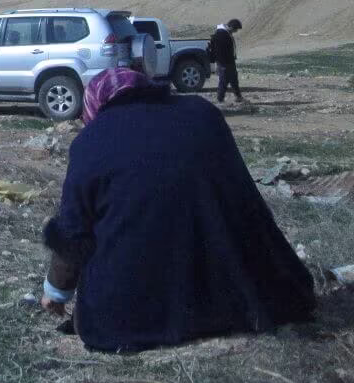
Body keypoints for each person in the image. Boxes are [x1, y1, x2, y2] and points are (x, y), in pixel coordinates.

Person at [40, 68, 314, 352]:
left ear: (95, 104)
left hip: (129, 318)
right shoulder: (203, 114)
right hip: (237, 296)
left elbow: (73, 233)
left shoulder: (91, 141)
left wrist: (55, 292)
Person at [209, 19, 244, 102]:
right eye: (236, 29)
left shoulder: (225, 33)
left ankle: (238, 97)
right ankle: (220, 99)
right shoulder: (221, 35)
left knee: (234, 80)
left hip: (229, 61)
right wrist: (223, 64)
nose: (236, 31)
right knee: (224, 81)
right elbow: (219, 51)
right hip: (224, 63)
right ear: (231, 27)